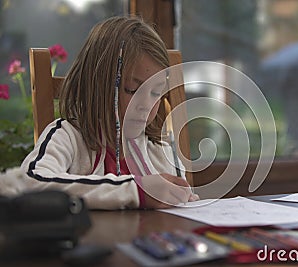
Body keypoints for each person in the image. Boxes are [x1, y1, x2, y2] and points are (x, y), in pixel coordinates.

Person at [20, 15, 199, 210]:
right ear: (96, 85)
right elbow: (30, 184)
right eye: (131, 89)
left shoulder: (161, 153)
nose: (146, 104)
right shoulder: (67, 137)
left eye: (156, 92)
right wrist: (136, 191)